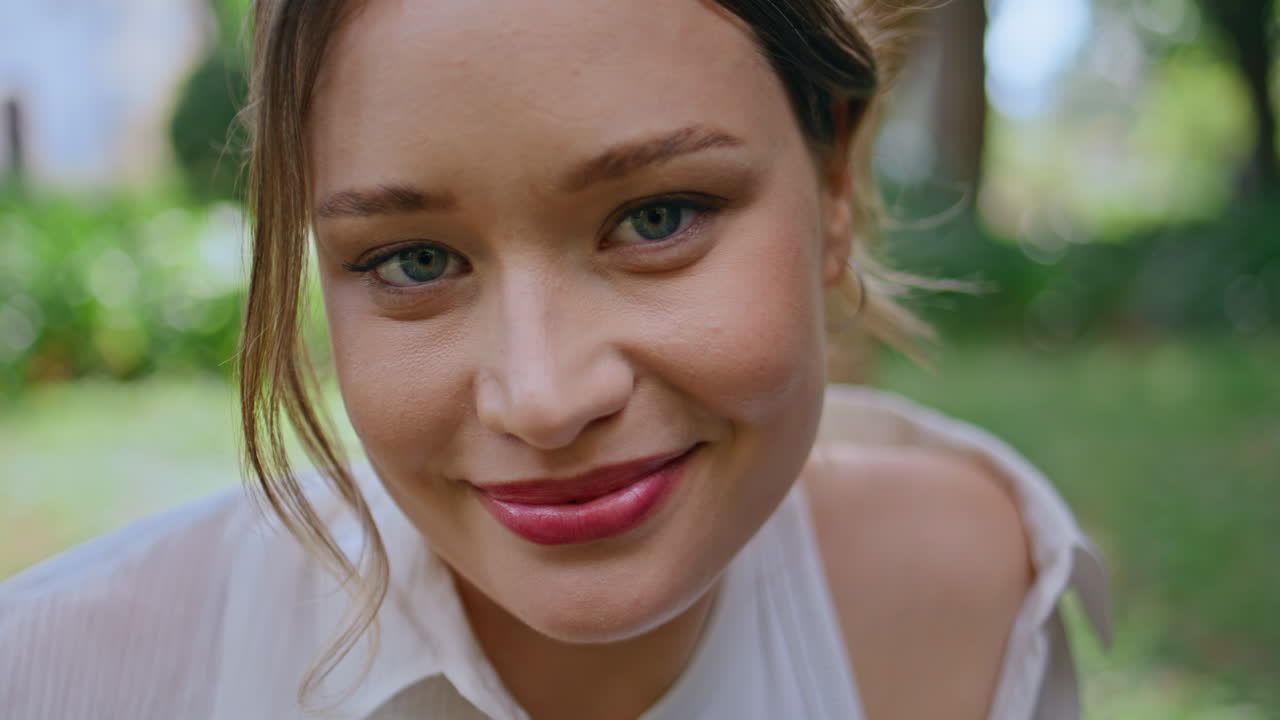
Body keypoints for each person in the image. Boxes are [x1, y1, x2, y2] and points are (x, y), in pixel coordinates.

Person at [0, 0, 1110, 718]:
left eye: (657, 216)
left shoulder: (964, 599)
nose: (541, 398)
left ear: (832, 182)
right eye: (414, 257)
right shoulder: (63, 678)